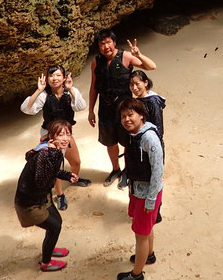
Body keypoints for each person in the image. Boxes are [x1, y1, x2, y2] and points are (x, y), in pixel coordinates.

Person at [88, 29, 156, 187]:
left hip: (125, 109)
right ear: (99, 46)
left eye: (108, 42)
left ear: (113, 42)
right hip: (105, 108)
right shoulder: (96, 61)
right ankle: (115, 169)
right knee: (110, 142)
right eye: (102, 43)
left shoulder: (125, 56)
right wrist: (91, 110)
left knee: (128, 142)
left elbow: (151, 67)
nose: (106, 46)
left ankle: (128, 170)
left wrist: (138, 54)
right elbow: (93, 87)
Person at [21, 64, 90, 211]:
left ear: (64, 78)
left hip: (65, 134)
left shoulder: (70, 92)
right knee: (56, 167)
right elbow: (27, 109)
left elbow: (81, 106)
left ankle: (73, 178)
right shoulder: (44, 95)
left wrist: (71, 89)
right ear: (47, 78)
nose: (55, 78)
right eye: (51, 75)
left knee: (76, 162)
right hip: (50, 136)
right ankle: (59, 195)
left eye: (58, 75)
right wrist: (38, 90)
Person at [14, 119, 79, 273]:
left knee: (57, 222)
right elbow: (41, 180)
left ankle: (48, 248)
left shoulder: (54, 151)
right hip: (29, 203)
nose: (65, 138)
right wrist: (52, 157)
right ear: (51, 136)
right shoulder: (45, 154)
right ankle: (46, 263)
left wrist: (67, 175)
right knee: (54, 227)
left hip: (42, 197)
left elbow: (51, 173)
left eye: (68, 134)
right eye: (60, 134)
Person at [116, 98, 164, 280]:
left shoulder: (149, 138)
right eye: (123, 116)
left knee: (140, 235)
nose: (127, 119)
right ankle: (149, 255)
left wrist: (151, 200)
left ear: (141, 115)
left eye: (131, 115)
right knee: (146, 228)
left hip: (147, 194)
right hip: (138, 190)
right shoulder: (134, 134)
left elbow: (158, 170)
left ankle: (136, 275)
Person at [129, 70, 166, 140]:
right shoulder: (136, 101)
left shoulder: (153, 101)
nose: (134, 88)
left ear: (145, 83)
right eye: (131, 85)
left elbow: (158, 126)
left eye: (137, 84)